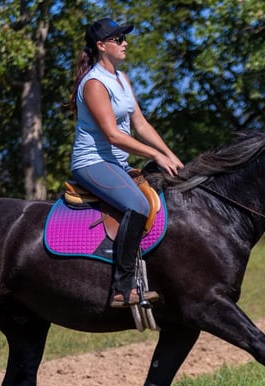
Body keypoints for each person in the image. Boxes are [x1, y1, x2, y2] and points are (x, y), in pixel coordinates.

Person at [70, 17, 184, 308]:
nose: (125, 43)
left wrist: (169, 154)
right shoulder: (94, 83)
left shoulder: (121, 78)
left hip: (117, 163)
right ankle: (122, 288)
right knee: (138, 205)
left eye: (124, 38)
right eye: (118, 39)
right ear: (101, 46)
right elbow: (113, 135)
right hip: (92, 162)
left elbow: (141, 124)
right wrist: (154, 155)